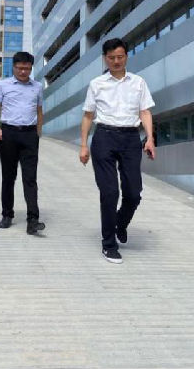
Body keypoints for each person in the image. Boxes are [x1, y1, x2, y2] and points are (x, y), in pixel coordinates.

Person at [79, 38, 156, 264]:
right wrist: (83, 145)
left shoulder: (138, 82)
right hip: (104, 136)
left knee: (133, 193)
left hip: (131, 138)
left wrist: (150, 139)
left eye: (120, 57)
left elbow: (145, 112)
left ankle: (120, 223)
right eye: (111, 58)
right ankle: (109, 244)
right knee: (109, 192)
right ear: (105, 58)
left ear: (126, 57)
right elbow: (88, 116)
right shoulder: (97, 84)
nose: (116, 61)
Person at [0, 51, 45, 234]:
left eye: (27, 68)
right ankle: (7, 214)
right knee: (8, 176)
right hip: (8, 134)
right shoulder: (2, 85)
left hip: (29, 135)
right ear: (13, 67)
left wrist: (38, 132)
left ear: (31, 68)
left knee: (30, 178)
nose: (23, 72)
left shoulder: (37, 87)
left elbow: (39, 111)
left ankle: (33, 219)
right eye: (20, 68)